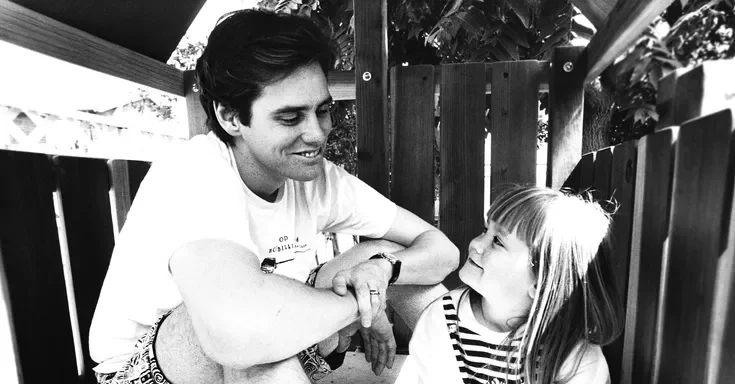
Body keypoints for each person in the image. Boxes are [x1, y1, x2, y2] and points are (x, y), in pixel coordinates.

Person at [88, 9, 458, 384]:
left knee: (377, 254)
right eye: (290, 117)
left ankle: (468, 372)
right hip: (150, 370)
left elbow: (441, 251)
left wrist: (383, 271)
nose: (317, 133)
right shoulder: (194, 170)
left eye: (323, 110)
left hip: (269, 346)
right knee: (255, 338)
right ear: (231, 116)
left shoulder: (316, 177)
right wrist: (363, 305)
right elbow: (238, 335)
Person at [396, 185, 623, 384]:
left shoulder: (575, 357)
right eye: (486, 231)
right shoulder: (444, 318)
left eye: (497, 241)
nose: (475, 244)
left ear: (542, 284)